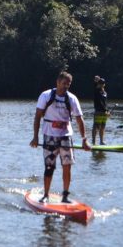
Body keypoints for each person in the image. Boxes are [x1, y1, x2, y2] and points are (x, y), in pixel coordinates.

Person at [30, 71, 91, 204]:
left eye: (68, 85)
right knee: (49, 167)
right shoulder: (46, 96)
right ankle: (45, 195)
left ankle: (65, 195)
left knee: (67, 166)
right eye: (63, 84)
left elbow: (80, 120)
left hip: (65, 137)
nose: (65, 87)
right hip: (49, 136)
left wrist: (84, 139)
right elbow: (37, 117)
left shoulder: (72, 99)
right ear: (57, 82)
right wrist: (35, 137)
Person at [92, 75, 109, 145]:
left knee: (102, 127)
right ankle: (93, 142)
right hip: (98, 111)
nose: (101, 85)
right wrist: (96, 81)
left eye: (102, 83)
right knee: (96, 127)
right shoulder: (96, 91)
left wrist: (107, 111)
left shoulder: (105, 93)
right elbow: (100, 102)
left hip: (104, 112)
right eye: (100, 83)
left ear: (104, 84)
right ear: (98, 84)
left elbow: (105, 103)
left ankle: (101, 141)